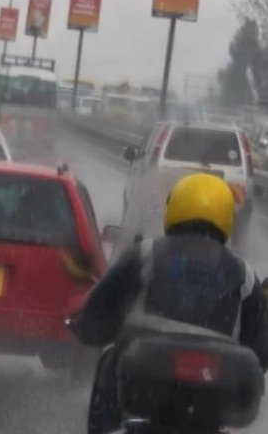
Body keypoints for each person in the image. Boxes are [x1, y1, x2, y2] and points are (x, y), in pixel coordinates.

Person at [70, 173, 268, 434]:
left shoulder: (145, 254)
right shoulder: (246, 277)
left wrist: (84, 325)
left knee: (110, 359)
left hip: (144, 387)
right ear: (227, 217)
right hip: (210, 401)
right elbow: (261, 353)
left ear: (174, 207)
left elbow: (95, 317)